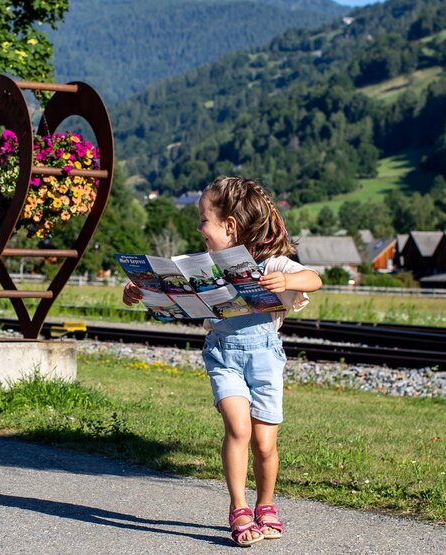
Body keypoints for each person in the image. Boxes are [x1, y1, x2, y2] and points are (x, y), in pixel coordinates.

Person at [122, 176, 321, 547]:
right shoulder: (203, 268)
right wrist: (139, 290)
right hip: (222, 355)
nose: (198, 228)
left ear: (229, 226)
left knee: (264, 443)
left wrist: (284, 280)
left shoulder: (271, 263)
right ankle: (239, 507)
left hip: (265, 358)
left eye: (203, 220)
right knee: (238, 429)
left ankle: (265, 505)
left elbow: (314, 278)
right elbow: (165, 294)